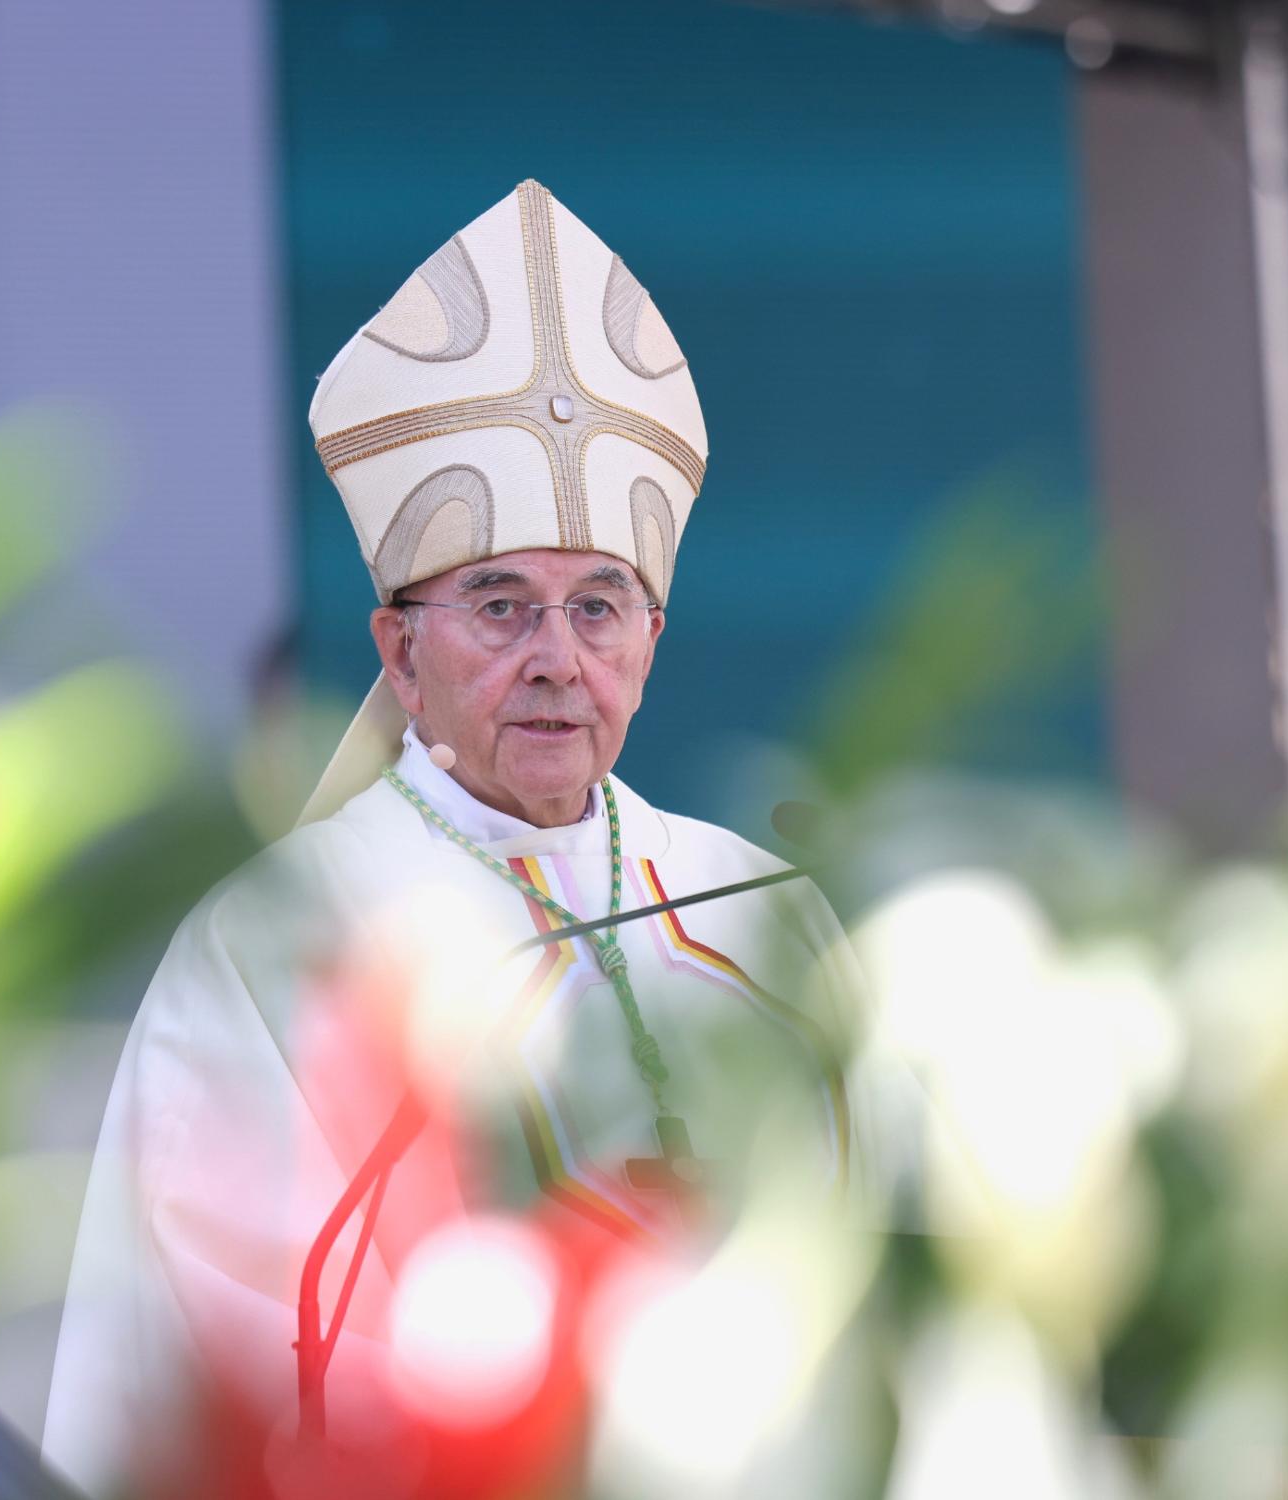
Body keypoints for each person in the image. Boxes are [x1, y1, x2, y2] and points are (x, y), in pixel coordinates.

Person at [42, 180, 863, 1498]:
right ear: (400, 652)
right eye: (500, 605)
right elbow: (187, 1355)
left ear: (651, 645)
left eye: (600, 607)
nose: (556, 660)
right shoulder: (280, 942)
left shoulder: (763, 912)